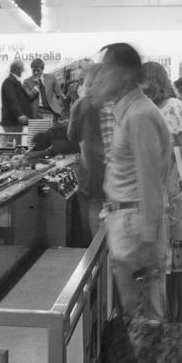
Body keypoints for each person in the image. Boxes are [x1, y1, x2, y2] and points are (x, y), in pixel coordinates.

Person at [92, 43, 171, 321]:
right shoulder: (130, 113)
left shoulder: (139, 116)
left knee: (144, 319)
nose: (100, 77)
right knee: (136, 315)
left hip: (135, 227)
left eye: (106, 69)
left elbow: (149, 180)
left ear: (125, 74)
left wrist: (149, 240)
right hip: (129, 222)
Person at [142, 62, 182, 325]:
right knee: (172, 260)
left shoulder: (173, 107)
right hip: (161, 190)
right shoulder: (153, 109)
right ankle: (174, 324)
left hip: (177, 190)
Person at [67, 64, 106, 243]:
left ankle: (95, 252)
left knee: (93, 204)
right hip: (111, 160)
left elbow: (71, 135)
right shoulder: (111, 101)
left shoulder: (81, 103)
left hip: (89, 160)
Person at [0, 59, 32, 145]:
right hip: (12, 121)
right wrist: (20, 114)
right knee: (9, 145)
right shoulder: (10, 82)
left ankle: (14, 158)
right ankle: (7, 158)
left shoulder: (13, 81)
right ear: (17, 69)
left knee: (16, 146)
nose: (23, 71)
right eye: (22, 69)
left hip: (15, 121)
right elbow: (12, 100)